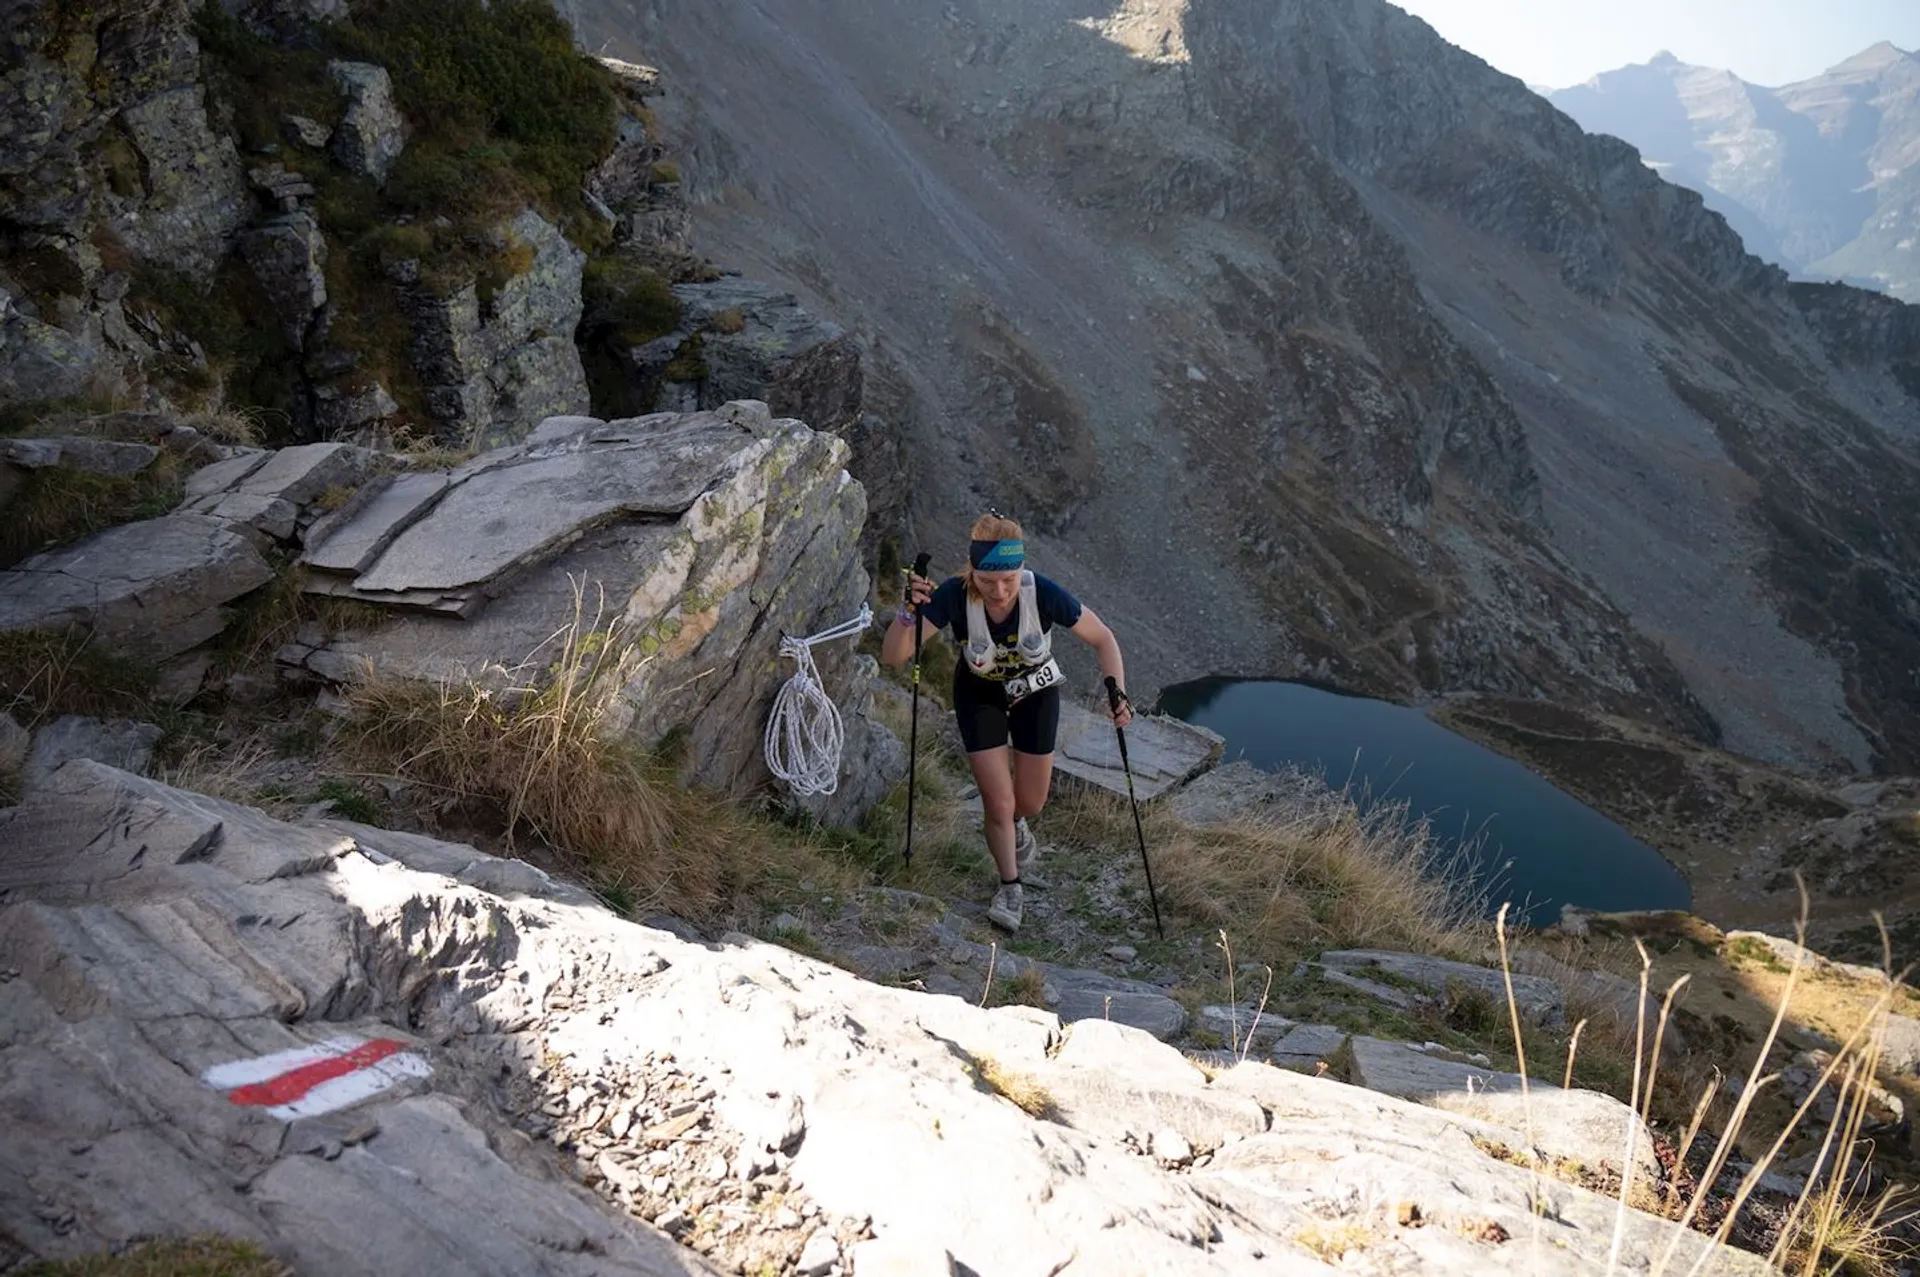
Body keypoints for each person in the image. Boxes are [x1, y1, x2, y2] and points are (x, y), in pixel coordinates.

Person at [880, 512, 1133, 932]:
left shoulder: (1044, 593)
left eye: (1009, 580)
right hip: (979, 694)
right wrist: (909, 612)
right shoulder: (952, 596)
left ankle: (1017, 823)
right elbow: (894, 656)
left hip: (1036, 694)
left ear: (1021, 571)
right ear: (971, 570)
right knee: (997, 801)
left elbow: (1102, 637)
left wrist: (1117, 690)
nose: (999, 591)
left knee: (1029, 803)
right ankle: (1010, 885)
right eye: (986, 580)